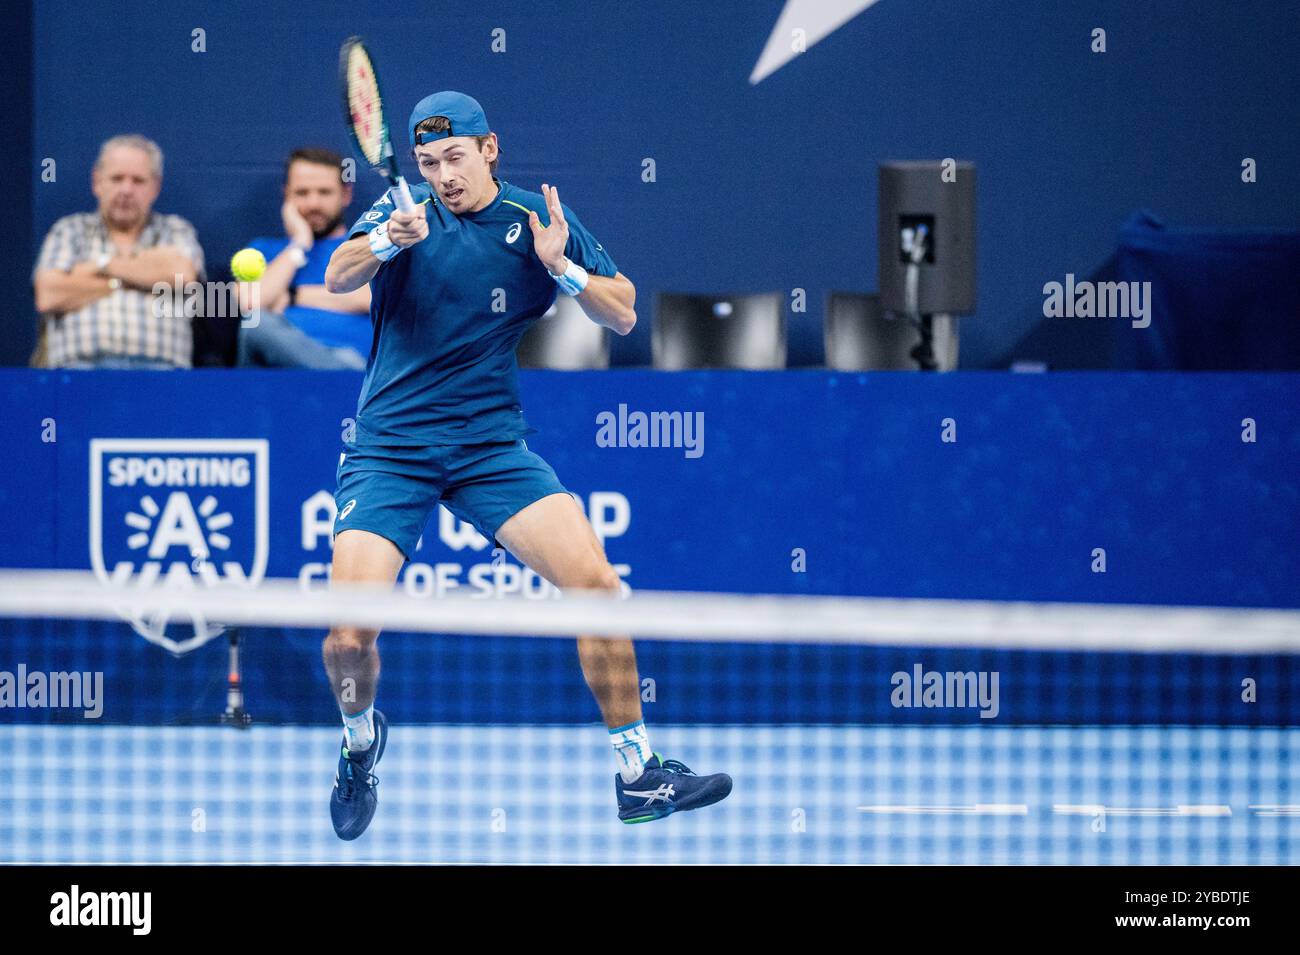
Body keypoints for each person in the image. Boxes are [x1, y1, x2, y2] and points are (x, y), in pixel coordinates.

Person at [320, 91, 731, 839]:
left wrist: (561, 270)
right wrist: (386, 241)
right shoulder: (404, 212)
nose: (442, 175)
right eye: (426, 161)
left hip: (488, 446)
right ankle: (358, 743)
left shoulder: (531, 221)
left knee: (598, 587)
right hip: (390, 447)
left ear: (489, 148)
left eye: (453, 157)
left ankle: (637, 774)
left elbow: (625, 311)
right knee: (347, 636)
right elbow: (336, 278)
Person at [33, 134, 203, 369]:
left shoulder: (175, 230)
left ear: (155, 187)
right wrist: (135, 276)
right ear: (97, 182)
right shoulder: (69, 230)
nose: (126, 189)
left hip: (162, 374)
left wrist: (100, 266)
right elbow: (49, 294)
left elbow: (182, 275)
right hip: (79, 371)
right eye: (117, 178)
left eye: (138, 181)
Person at [236, 147, 369, 369]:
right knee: (257, 324)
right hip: (271, 377)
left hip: (352, 365)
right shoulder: (261, 251)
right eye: (302, 193)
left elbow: (368, 298)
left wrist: (291, 295)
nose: (313, 204)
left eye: (324, 192)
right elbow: (251, 304)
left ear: (345, 195)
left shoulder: (364, 245)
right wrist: (299, 244)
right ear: (287, 195)